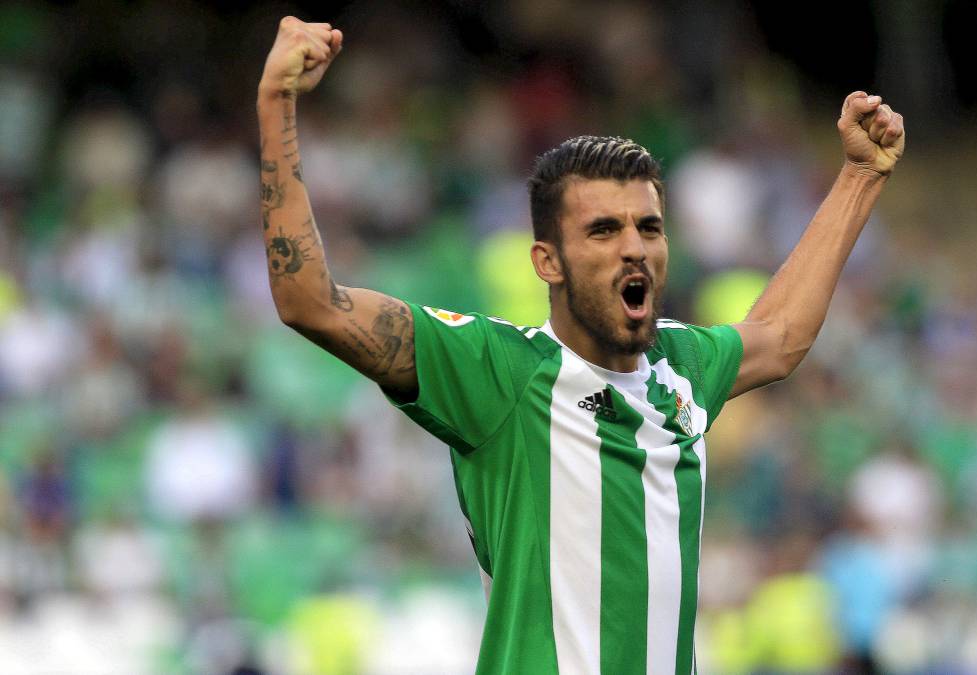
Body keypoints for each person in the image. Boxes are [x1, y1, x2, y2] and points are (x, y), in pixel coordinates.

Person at [257, 17, 904, 675]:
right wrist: (278, 103)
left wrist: (860, 176)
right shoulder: (500, 370)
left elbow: (782, 335)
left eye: (649, 226)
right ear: (548, 262)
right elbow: (311, 302)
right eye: (603, 230)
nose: (634, 246)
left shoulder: (681, 368)